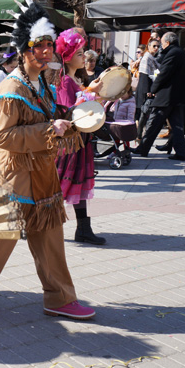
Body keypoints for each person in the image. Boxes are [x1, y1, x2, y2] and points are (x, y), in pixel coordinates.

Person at [0, 0, 95, 320]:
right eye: (38, 46)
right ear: (23, 50)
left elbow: (51, 118)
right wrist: (49, 129)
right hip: (13, 174)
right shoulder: (10, 88)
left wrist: (77, 118)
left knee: (51, 237)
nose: (45, 52)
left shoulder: (42, 84)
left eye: (49, 45)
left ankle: (59, 298)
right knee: (1, 237)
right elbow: (2, 136)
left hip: (42, 172)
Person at [54, 29, 106, 245]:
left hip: (79, 142)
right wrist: (91, 93)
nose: (84, 57)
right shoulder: (65, 80)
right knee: (57, 186)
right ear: (66, 57)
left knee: (78, 184)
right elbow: (69, 112)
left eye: (83, 52)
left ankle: (83, 229)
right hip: (69, 143)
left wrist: (95, 95)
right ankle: (32, 224)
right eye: (79, 53)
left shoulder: (73, 78)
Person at [133, 32, 185, 160]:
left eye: (162, 43)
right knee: (177, 126)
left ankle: (143, 148)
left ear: (167, 43)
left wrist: (153, 89)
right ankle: (181, 152)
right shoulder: (182, 53)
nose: (161, 46)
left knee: (154, 122)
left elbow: (164, 73)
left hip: (167, 96)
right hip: (178, 96)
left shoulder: (172, 53)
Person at [135, 38, 161, 137]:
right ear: (148, 46)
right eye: (154, 46)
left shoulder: (153, 58)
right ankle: (139, 135)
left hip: (149, 88)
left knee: (145, 113)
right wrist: (148, 91)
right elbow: (144, 75)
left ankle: (141, 135)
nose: (156, 48)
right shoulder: (147, 58)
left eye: (158, 46)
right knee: (143, 113)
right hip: (145, 89)